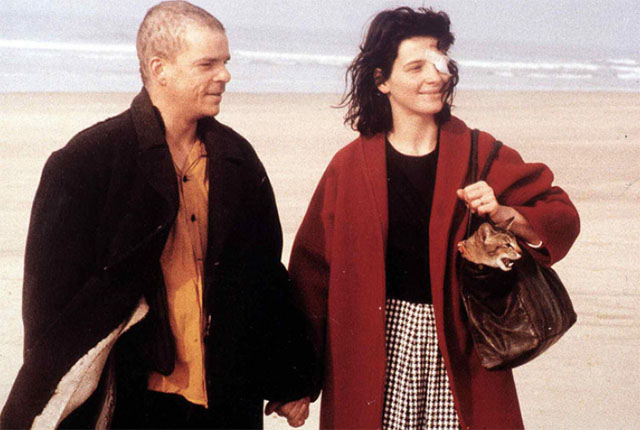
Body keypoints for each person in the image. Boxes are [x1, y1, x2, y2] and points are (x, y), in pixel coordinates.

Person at [0, 1, 313, 429]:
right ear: (159, 68)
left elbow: (265, 275)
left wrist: (291, 376)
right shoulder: (86, 162)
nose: (225, 75)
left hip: (227, 397)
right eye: (207, 64)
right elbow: (48, 310)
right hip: (134, 401)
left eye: (225, 62)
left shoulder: (237, 158)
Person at [288, 6, 580, 430]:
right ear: (381, 80)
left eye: (440, 60)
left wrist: (503, 213)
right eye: (416, 66)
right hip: (373, 349)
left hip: (460, 352)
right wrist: (298, 381)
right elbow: (310, 276)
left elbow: (561, 216)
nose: (435, 75)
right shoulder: (347, 168)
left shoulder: (482, 152)